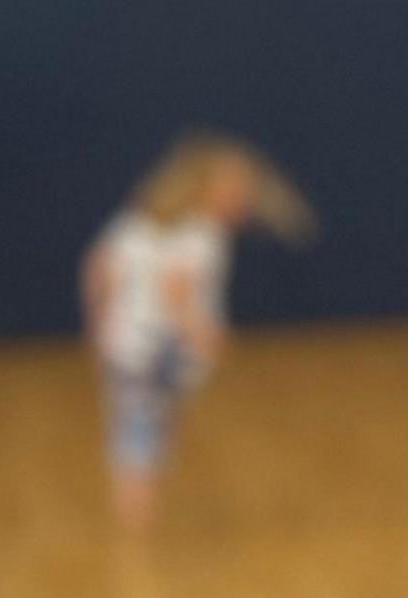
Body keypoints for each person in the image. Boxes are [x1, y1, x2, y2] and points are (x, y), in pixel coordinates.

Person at [77, 131, 313, 529]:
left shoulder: (135, 222)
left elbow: (98, 268)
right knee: (141, 426)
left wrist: (99, 324)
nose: (240, 196)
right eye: (230, 187)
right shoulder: (202, 236)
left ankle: (134, 503)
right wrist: (202, 333)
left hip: (125, 345)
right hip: (155, 350)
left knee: (137, 422)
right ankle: (135, 513)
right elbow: (174, 291)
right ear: (200, 185)